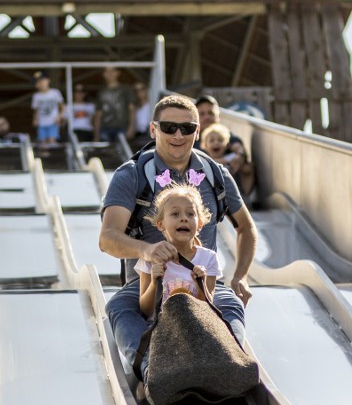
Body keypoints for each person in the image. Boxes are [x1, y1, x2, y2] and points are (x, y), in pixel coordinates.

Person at [99, 94, 257, 380]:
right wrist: (147, 251)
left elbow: (245, 227)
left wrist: (241, 276)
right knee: (119, 307)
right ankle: (152, 367)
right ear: (153, 129)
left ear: (198, 132)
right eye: (169, 127)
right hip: (149, 282)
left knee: (230, 302)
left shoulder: (214, 174)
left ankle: (230, 358)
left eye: (187, 128)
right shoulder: (132, 175)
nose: (178, 135)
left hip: (201, 279)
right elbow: (108, 238)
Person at [135, 184, 219, 317]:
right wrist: (154, 283)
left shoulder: (208, 258)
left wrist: (200, 284)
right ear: (160, 224)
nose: (184, 218)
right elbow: (145, 310)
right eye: (175, 214)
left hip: (194, 327)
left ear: (200, 225)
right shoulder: (151, 258)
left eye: (190, 214)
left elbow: (209, 311)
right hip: (162, 329)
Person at [201, 123, 255, 198]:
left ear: (227, 145)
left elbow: (247, 169)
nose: (216, 143)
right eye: (212, 140)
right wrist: (225, 160)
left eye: (220, 140)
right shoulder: (202, 160)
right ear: (205, 145)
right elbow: (212, 162)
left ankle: (246, 196)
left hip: (232, 195)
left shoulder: (232, 159)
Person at [93, 66, 136, 142]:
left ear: (118, 73)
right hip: (105, 128)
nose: (110, 74)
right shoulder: (101, 92)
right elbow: (98, 114)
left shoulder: (126, 89)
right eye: (107, 71)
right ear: (103, 74)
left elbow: (132, 109)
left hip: (122, 127)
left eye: (112, 71)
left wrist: (131, 128)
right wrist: (96, 135)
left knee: (123, 152)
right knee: (106, 153)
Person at [31, 71, 64, 150]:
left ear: (48, 80)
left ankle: (54, 158)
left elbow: (62, 106)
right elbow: (36, 110)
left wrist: (60, 116)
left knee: (52, 140)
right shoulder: (36, 96)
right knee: (42, 142)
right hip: (42, 122)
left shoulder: (55, 93)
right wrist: (35, 119)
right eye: (38, 82)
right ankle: (45, 158)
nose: (41, 83)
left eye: (42, 80)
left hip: (52, 121)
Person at [131, 82, 152, 149]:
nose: (139, 92)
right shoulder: (134, 107)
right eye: (136, 90)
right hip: (137, 136)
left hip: (149, 135)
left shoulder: (152, 104)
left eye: (142, 89)